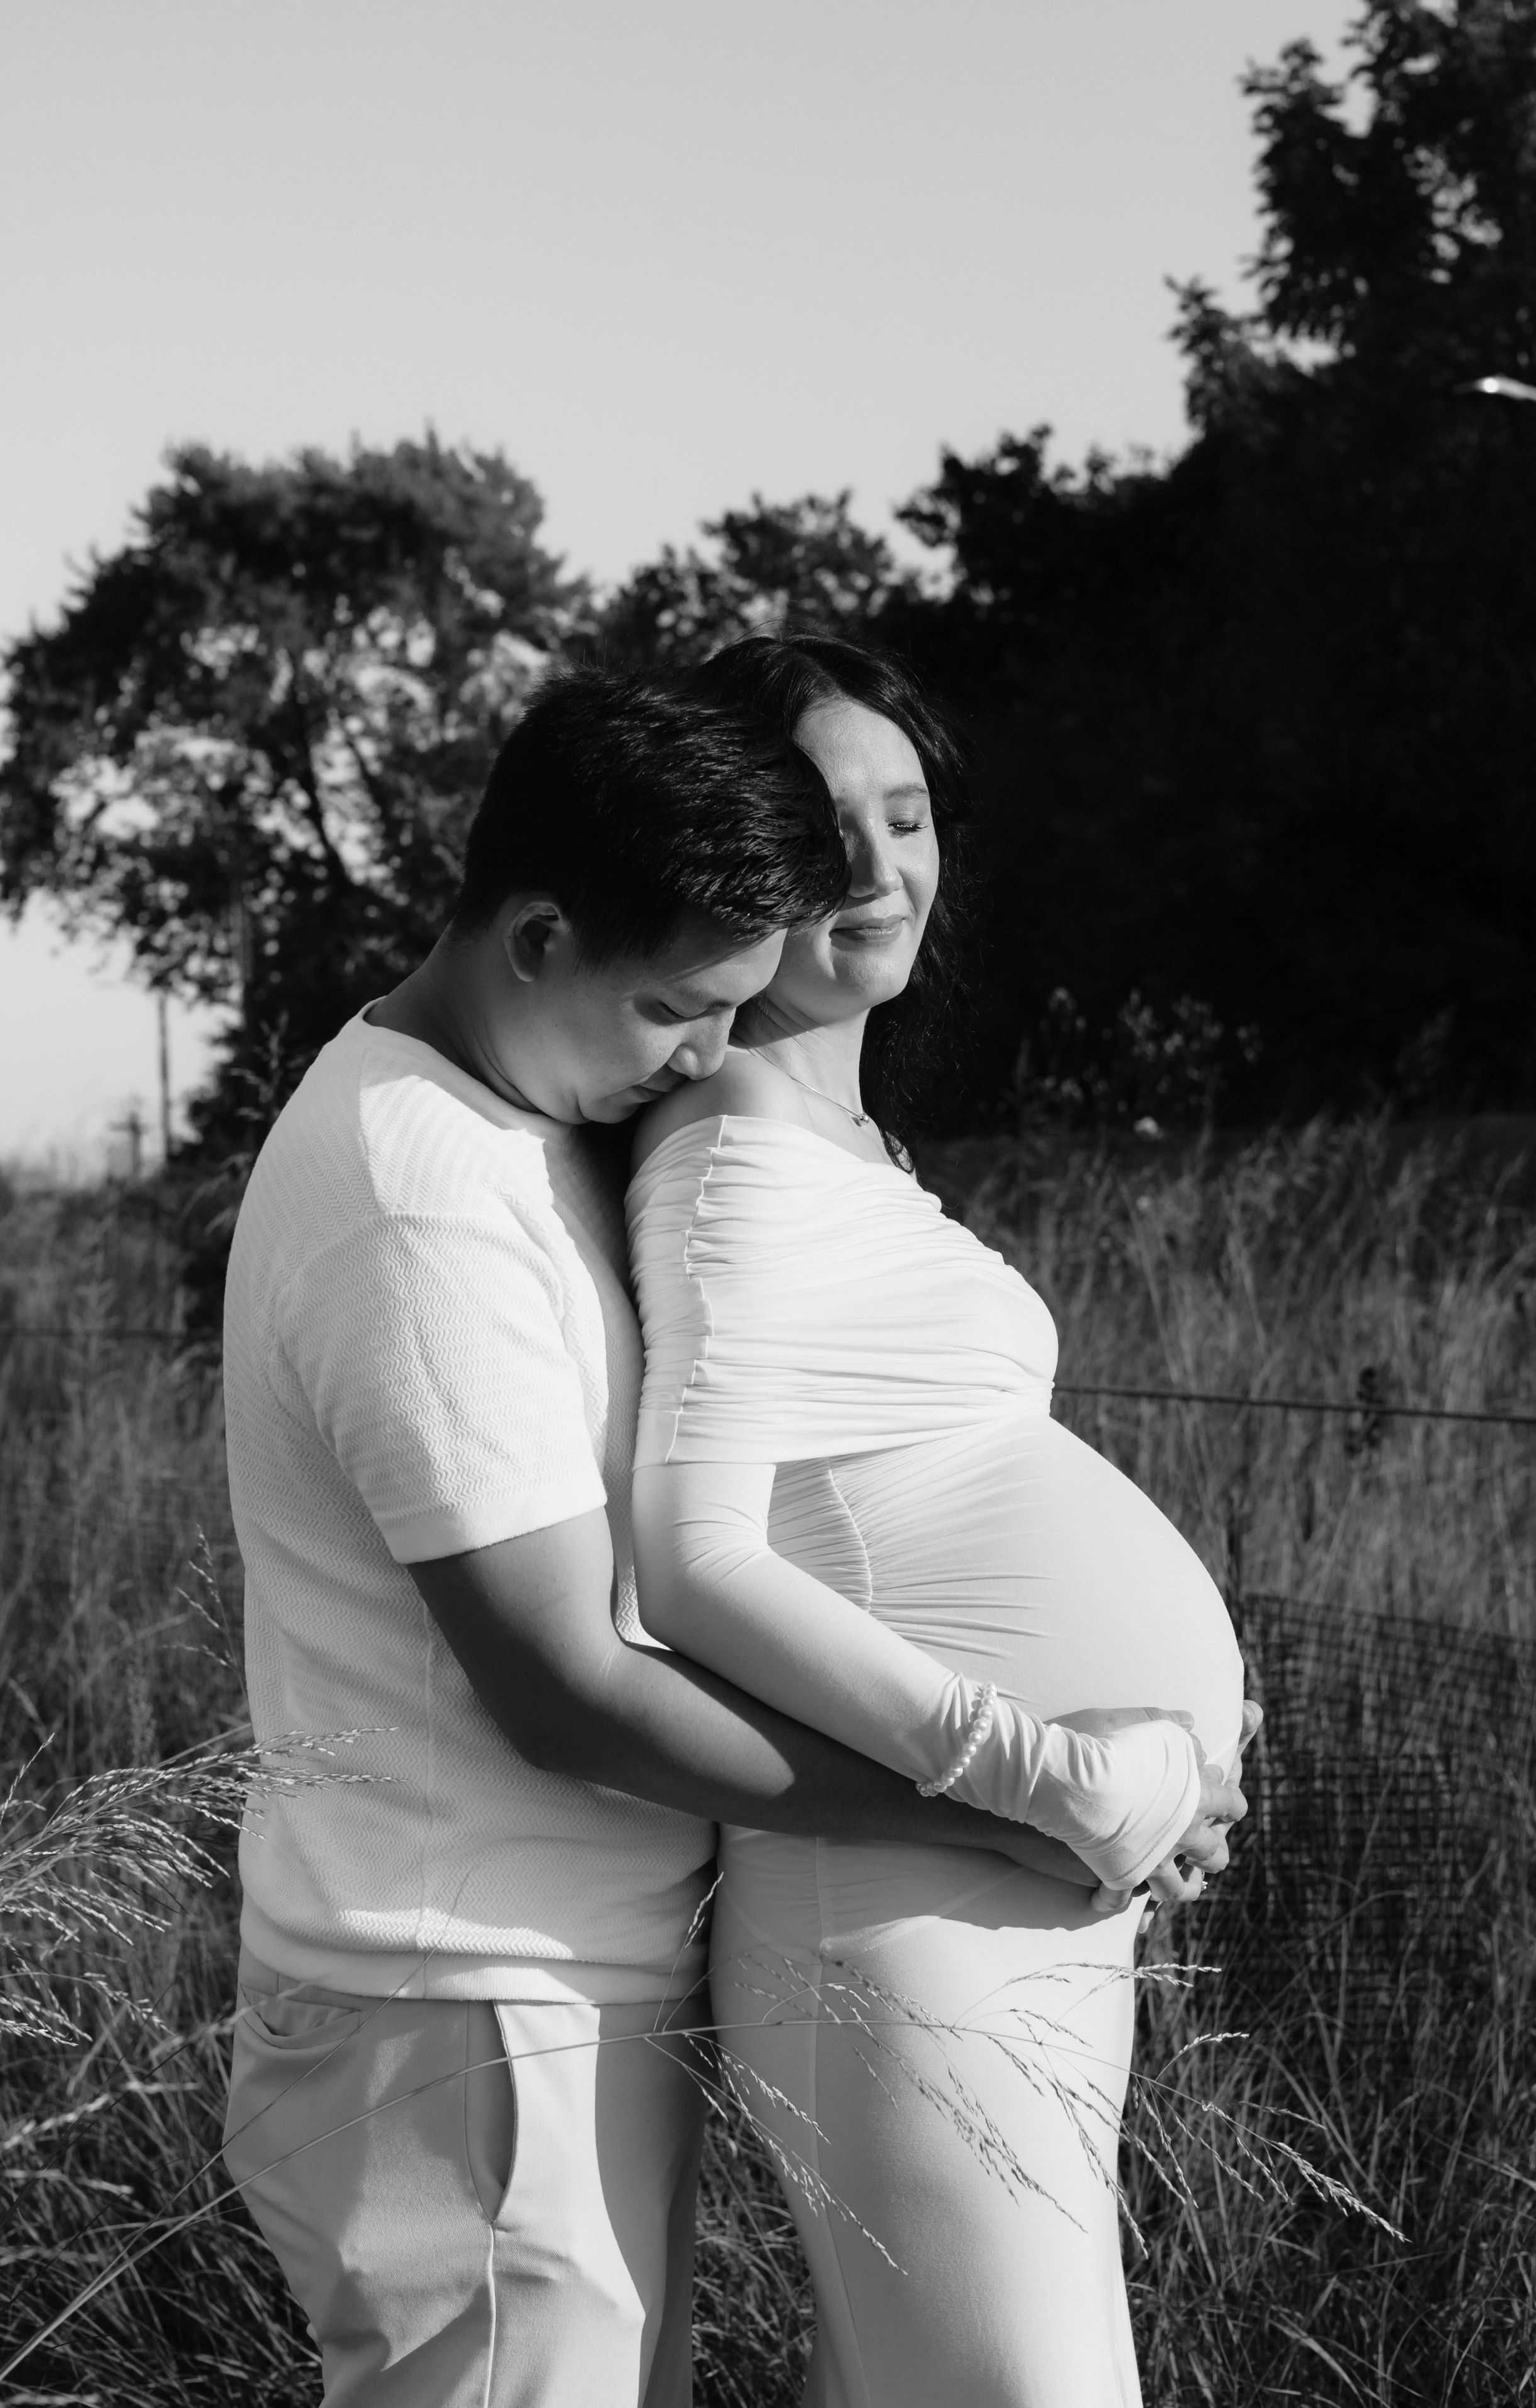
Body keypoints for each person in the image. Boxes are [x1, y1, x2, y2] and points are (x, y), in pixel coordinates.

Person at [220, 661, 1251, 2408]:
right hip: (466, 1995)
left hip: (538, 1988)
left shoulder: (513, 1130)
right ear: (539, 938)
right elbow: (570, 1686)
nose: (710, 1058)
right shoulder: (425, 1204)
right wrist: (1029, 1795)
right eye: (678, 1011)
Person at [628, 633, 1260, 2407]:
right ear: (722, 857)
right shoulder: (736, 1144)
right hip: (911, 1905)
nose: (877, 866)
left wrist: (1161, 1734)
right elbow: (696, 1560)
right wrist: (1045, 1770)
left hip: (997, 1893)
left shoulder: (842, 1144)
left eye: (905, 816)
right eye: (818, 826)